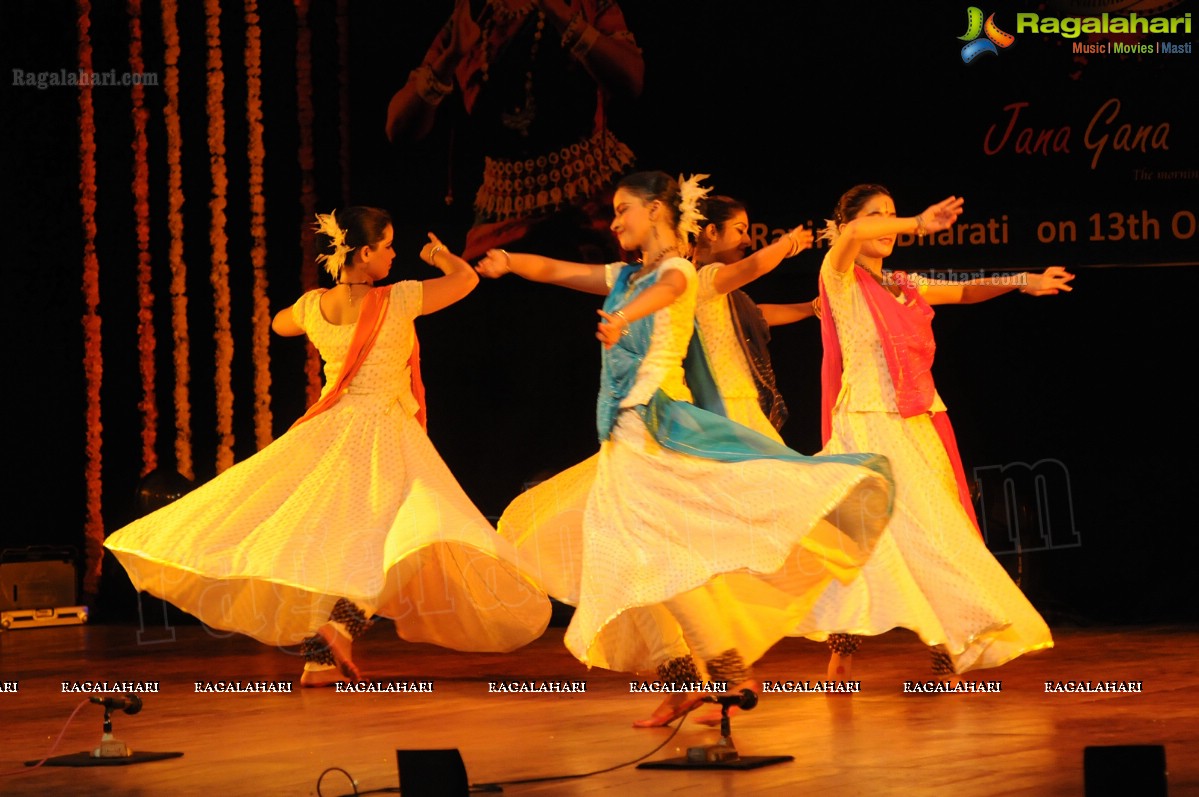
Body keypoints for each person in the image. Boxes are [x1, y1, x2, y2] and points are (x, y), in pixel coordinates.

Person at [476, 172, 895, 726]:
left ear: (655, 211)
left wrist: (624, 317)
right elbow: (555, 270)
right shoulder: (625, 274)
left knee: (640, 555)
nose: (615, 220)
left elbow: (670, 292)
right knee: (640, 559)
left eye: (623, 209)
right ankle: (705, 674)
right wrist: (510, 261)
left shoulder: (677, 272)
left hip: (653, 428)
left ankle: (710, 672)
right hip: (622, 434)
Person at [105, 207, 550, 686]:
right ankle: (337, 629)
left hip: (333, 432)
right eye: (388, 246)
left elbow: (280, 325)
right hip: (383, 436)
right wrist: (439, 253)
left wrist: (313, 307)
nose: (395, 254)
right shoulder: (398, 299)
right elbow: (465, 280)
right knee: (406, 546)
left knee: (346, 548)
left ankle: (320, 657)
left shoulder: (312, 307)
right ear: (363, 253)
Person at [795, 184, 1070, 679]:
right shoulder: (838, 279)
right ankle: (843, 653)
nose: (887, 224)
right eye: (879, 216)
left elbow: (964, 290)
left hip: (917, 425)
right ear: (851, 226)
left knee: (937, 534)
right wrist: (917, 222)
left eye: (893, 215)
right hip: (865, 426)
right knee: (861, 540)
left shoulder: (904, 283)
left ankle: (952, 641)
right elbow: (856, 232)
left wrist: (1023, 279)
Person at [386, 0, 644, 261]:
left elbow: (631, 80)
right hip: (501, 222)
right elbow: (398, 129)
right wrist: (450, 58)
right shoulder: (473, 16)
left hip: (592, 209)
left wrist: (561, 14)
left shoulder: (583, 5)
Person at [690, 194, 817, 442]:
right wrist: (787, 244)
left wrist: (811, 307)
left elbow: (759, 315)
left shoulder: (717, 286)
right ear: (712, 232)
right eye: (740, 230)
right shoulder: (704, 277)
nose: (748, 240)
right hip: (723, 401)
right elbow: (753, 267)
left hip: (737, 396)